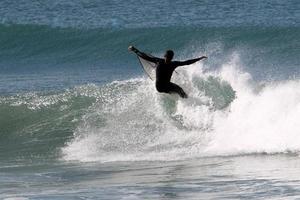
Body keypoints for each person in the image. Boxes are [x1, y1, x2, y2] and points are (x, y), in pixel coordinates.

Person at [128, 46, 207, 98]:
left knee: (179, 90)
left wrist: (134, 50)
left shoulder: (159, 61)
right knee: (180, 90)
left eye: (167, 57)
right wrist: (199, 58)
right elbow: (187, 62)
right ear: (171, 57)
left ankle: (182, 101)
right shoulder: (173, 64)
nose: (167, 58)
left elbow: (145, 57)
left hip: (159, 87)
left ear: (164, 56)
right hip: (164, 86)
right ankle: (187, 102)